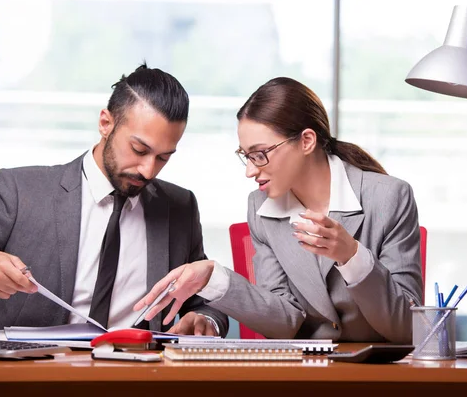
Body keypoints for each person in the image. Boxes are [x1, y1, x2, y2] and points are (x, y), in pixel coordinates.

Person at [134, 77, 423, 343]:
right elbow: (285, 321)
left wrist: (352, 256)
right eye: (246, 156)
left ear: (306, 141)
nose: (250, 170)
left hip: (382, 376)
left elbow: (407, 328)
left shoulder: (390, 197)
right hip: (305, 374)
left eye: (260, 155)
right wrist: (214, 278)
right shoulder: (261, 208)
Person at [0, 64, 228, 339]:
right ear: (105, 123)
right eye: (139, 149)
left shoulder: (179, 207)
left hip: (138, 375)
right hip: (34, 373)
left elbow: (206, 301)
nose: (148, 170)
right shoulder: (21, 191)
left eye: (163, 157)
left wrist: (204, 319)